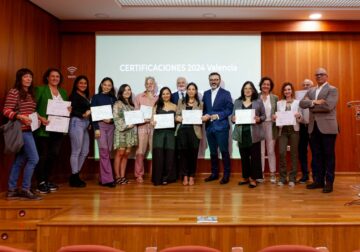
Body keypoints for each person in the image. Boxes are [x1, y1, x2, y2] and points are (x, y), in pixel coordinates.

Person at [3, 68, 42, 200]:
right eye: (26, 77)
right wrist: (20, 117)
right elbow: (6, 110)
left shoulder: (30, 93)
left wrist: (41, 118)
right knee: (34, 159)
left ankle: (12, 190)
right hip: (20, 131)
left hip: (29, 130)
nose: (29, 79)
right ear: (20, 78)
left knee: (19, 161)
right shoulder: (14, 92)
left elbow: (32, 111)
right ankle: (25, 189)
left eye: (30, 77)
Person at [300, 68, 339, 193]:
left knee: (329, 156)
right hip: (313, 128)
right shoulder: (311, 90)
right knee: (316, 155)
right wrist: (315, 102)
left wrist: (311, 105)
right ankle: (318, 181)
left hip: (328, 128)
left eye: (321, 74)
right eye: (316, 75)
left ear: (326, 76)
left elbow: (328, 106)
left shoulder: (332, 89)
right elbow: (301, 103)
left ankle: (329, 183)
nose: (319, 76)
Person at [35, 68, 68, 194]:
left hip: (58, 129)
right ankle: (40, 182)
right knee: (42, 156)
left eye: (57, 77)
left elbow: (65, 109)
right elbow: (32, 107)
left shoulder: (63, 92)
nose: (55, 78)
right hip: (44, 128)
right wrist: (40, 117)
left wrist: (68, 109)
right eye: (52, 76)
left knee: (53, 155)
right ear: (47, 77)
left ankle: (47, 180)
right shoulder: (40, 89)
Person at [231, 81, 266, 188]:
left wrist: (259, 118)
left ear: (253, 90)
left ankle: (253, 178)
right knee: (244, 157)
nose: (247, 90)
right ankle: (245, 177)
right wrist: (233, 119)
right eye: (245, 88)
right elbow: (232, 116)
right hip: (241, 134)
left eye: (250, 88)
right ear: (243, 90)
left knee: (255, 157)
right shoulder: (237, 102)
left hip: (254, 134)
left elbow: (264, 116)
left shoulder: (258, 102)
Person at [202, 72, 233, 184]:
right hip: (209, 128)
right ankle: (214, 174)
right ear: (209, 81)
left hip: (222, 127)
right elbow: (204, 109)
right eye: (211, 79)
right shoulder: (205, 94)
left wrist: (218, 116)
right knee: (213, 152)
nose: (213, 81)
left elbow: (229, 109)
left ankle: (226, 175)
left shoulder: (226, 93)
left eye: (216, 79)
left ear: (219, 80)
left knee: (224, 151)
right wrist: (205, 115)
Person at [175, 82, 203, 186]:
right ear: (186, 91)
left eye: (193, 89)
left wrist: (203, 118)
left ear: (196, 91)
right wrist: (178, 118)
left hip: (194, 132)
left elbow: (202, 118)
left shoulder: (200, 103)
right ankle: (185, 176)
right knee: (183, 155)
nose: (191, 91)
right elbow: (177, 115)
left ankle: (192, 176)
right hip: (182, 131)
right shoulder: (181, 101)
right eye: (189, 89)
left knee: (193, 155)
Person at [91, 77, 117, 187]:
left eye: (109, 85)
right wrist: (96, 128)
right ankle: (108, 180)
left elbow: (116, 115)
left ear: (111, 87)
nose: (107, 86)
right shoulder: (96, 97)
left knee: (108, 152)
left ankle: (103, 179)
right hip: (100, 126)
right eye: (105, 84)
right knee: (104, 152)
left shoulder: (114, 98)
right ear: (101, 85)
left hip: (111, 127)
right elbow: (93, 113)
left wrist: (111, 120)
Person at [276, 82, 302, 187]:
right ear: (283, 91)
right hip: (283, 131)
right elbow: (278, 117)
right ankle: (282, 178)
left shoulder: (297, 102)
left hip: (294, 130)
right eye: (285, 90)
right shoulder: (279, 103)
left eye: (289, 89)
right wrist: (275, 118)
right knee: (282, 153)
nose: (287, 91)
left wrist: (298, 115)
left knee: (294, 154)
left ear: (292, 91)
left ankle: (292, 178)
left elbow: (302, 118)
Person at [134, 77, 158, 183]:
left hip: (154, 127)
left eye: (151, 83)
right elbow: (135, 113)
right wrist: (142, 119)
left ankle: (155, 173)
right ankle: (139, 174)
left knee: (155, 151)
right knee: (140, 152)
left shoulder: (158, 98)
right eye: (147, 83)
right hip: (142, 126)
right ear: (145, 85)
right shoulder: (139, 97)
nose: (149, 85)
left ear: (154, 85)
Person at [151, 87, 177, 186]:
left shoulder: (175, 106)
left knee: (170, 156)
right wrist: (152, 122)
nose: (166, 95)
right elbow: (151, 119)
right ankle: (158, 178)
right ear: (161, 95)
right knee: (159, 156)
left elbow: (177, 119)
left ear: (170, 95)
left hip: (171, 134)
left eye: (168, 93)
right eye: (163, 94)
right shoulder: (156, 106)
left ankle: (167, 178)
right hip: (159, 134)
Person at [68, 75, 91, 187]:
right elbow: (70, 111)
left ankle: (75, 175)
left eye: (85, 83)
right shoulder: (73, 96)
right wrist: (82, 114)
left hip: (85, 124)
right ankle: (75, 176)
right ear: (76, 84)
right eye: (81, 83)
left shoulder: (86, 96)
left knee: (85, 151)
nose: (83, 85)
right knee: (76, 151)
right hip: (76, 122)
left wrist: (89, 122)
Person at [113, 84, 138, 185]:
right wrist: (127, 125)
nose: (127, 92)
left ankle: (123, 176)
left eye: (129, 90)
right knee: (120, 154)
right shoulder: (117, 103)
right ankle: (117, 176)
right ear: (121, 92)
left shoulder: (132, 105)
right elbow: (116, 118)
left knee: (126, 154)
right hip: (121, 131)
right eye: (125, 90)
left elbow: (136, 118)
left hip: (131, 133)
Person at [259, 77, 278, 183]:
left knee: (270, 150)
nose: (266, 86)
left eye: (268, 84)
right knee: (260, 151)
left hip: (271, 125)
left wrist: (276, 116)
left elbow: (277, 111)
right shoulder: (256, 96)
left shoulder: (275, 97)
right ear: (261, 85)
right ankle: (260, 173)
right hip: (259, 126)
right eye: (264, 84)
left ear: (270, 87)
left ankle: (272, 173)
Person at [297, 79, 314, 183]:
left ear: (312, 86)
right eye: (304, 85)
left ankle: (316, 174)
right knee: (302, 151)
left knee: (316, 151)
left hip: (314, 127)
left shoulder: (316, 95)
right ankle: (305, 174)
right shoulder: (300, 97)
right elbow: (299, 110)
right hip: (303, 126)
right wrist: (300, 118)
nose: (306, 86)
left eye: (308, 84)